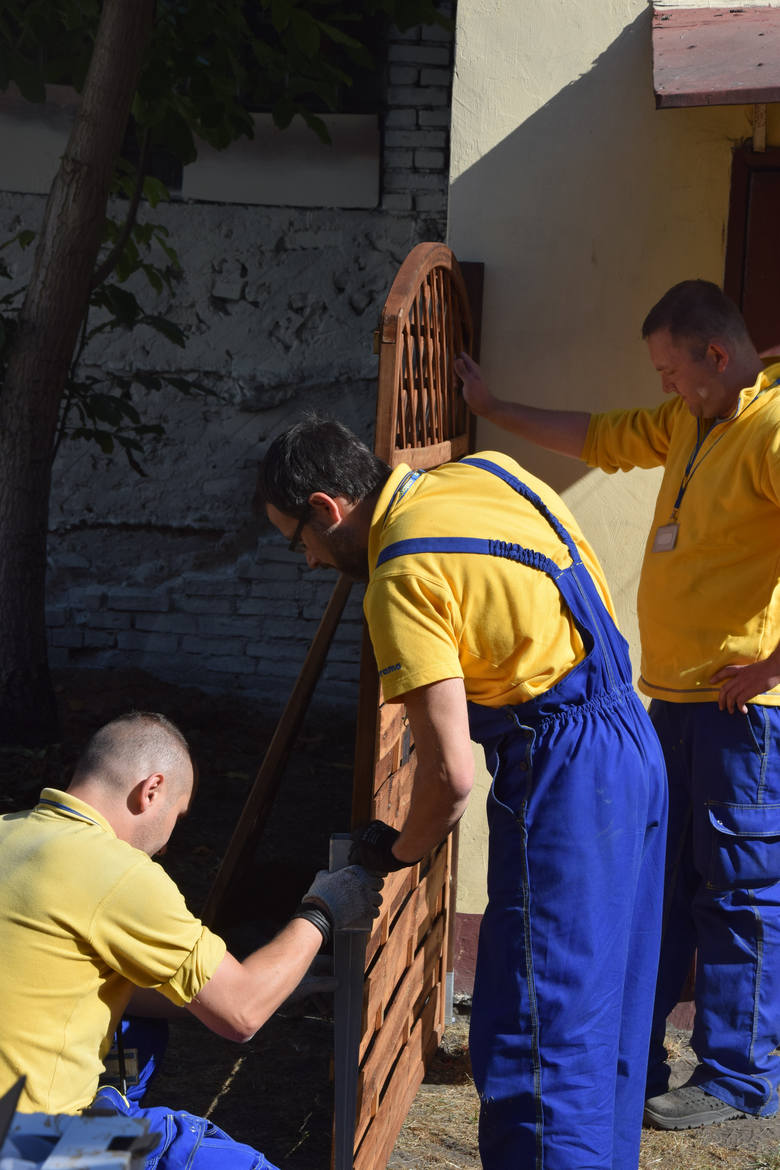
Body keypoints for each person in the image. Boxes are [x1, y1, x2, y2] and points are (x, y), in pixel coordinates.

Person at [260, 417, 667, 1170]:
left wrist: (398, 850)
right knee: (604, 1017)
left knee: (537, 1042)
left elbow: (449, 775)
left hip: (565, 776)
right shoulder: (484, 474)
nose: (311, 562)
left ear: (327, 508)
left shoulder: (401, 577)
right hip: (632, 745)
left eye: (299, 542)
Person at [454, 279, 780, 1131]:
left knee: (740, 892)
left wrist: (773, 665)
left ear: (716, 354)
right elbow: (595, 436)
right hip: (667, 701)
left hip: (741, 712)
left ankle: (737, 1081)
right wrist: (493, 407)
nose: (664, 385)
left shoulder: (773, 431)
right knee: (659, 886)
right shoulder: (687, 423)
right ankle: (641, 1061)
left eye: (672, 369)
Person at [0, 710, 383, 1169]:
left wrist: (279, 987)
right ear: (152, 790)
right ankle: (100, 1139)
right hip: (27, 1144)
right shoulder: (117, 873)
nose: (165, 845)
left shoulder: (11, 831)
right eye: (176, 817)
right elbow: (241, 1014)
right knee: (190, 1151)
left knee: (136, 1030)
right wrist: (322, 910)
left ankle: (107, 1108)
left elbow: (64, 982)